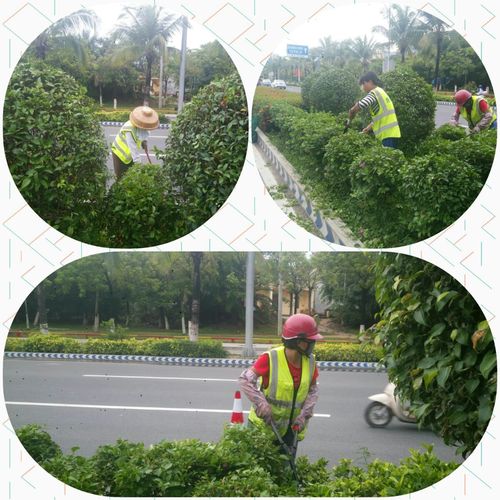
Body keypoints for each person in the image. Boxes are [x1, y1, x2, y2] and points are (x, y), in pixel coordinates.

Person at [238, 313, 323, 448]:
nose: (314, 344)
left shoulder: (310, 362)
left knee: (286, 468)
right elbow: (245, 379)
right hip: (264, 427)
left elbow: (313, 391)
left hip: (291, 430)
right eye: (311, 341)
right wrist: (261, 404)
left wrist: (305, 414)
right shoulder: (271, 358)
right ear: (299, 342)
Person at [348, 71, 401, 149]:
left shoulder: (374, 93)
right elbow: (381, 116)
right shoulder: (381, 92)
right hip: (392, 133)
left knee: (386, 159)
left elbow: (360, 105)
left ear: (370, 81)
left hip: (387, 135)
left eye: (363, 84)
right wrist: (368, 128)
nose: (362, 87)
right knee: (391, 159)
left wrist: (350, 117)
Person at [111, 106, 160, 180]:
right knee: (120, 179)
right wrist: (140, 169)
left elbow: (144, 134)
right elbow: (134, 152)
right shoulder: (129, 130)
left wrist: (144, 141)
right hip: (119, 153)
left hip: (129, 156)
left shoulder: (143, 125)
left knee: (130, 177)